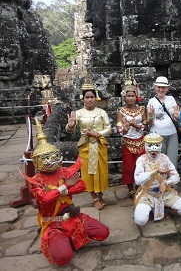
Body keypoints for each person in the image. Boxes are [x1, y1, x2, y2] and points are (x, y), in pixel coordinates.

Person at [20, 118, 109, 266]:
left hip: (74, 217)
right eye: (46, 158)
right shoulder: (36, 181)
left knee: (103, 232)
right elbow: (45, 199)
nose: (52, 160)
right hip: (54, 223)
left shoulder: (63, 171)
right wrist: (66, 186)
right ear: (36, 162)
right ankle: (57, 241)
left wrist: (58, 190)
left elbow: (81, 185)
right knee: (63, 259)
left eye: (54, 156)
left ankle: (69, 239)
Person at [66, 80, 112, 210]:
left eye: (92, 97)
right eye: (87, 97)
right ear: (83, 99)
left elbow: (109, 129)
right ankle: (94, 197)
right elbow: (70, 129)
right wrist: (70, 126)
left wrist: (96, 134)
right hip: (86, 146)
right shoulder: (79, 113)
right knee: (88, 173)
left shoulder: (101, 112)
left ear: (95, 98)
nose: (90, 100)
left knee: (101, 172)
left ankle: (100, 195)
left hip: (99, 145)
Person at [133, 132, 181, 227]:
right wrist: (155, 171)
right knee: (140, 220)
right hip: (147, 193)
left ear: (161, 145)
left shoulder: (164, 158)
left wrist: (166, 182)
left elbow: (176, 176)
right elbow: (138, 180)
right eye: (150, 145)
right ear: (145, 146)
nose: (154, 148)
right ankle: (151, 210)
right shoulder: (141, 160)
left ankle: (165, 207)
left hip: (164, 193)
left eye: (157, 145)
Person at [117, 73, 146, 197]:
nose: (130, 98)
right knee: (129, 167)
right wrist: (124, 129)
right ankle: (131, 188)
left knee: (142, 165)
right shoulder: (121, 110)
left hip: (140, 141)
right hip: (128, 142)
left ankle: (141, 185)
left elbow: (145, 124)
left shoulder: (141, 109)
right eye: (128, 96)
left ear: (136, 96)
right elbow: (119, 127)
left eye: (132, 96)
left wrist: (136, 126)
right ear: (124, 97)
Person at [146, 76, 180, 168]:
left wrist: (177, 116)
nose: (161, 89)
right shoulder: (151, 101)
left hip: (172, 133)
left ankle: (172, 181)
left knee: (172, 160)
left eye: (163, 87)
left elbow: (176, 117)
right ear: (155, 87)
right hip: (157, 134)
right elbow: (150, 123)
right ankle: (159, 181)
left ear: (167, 88)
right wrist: (150, 115)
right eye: (159, 87)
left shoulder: (171, 99)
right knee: (158, 159)